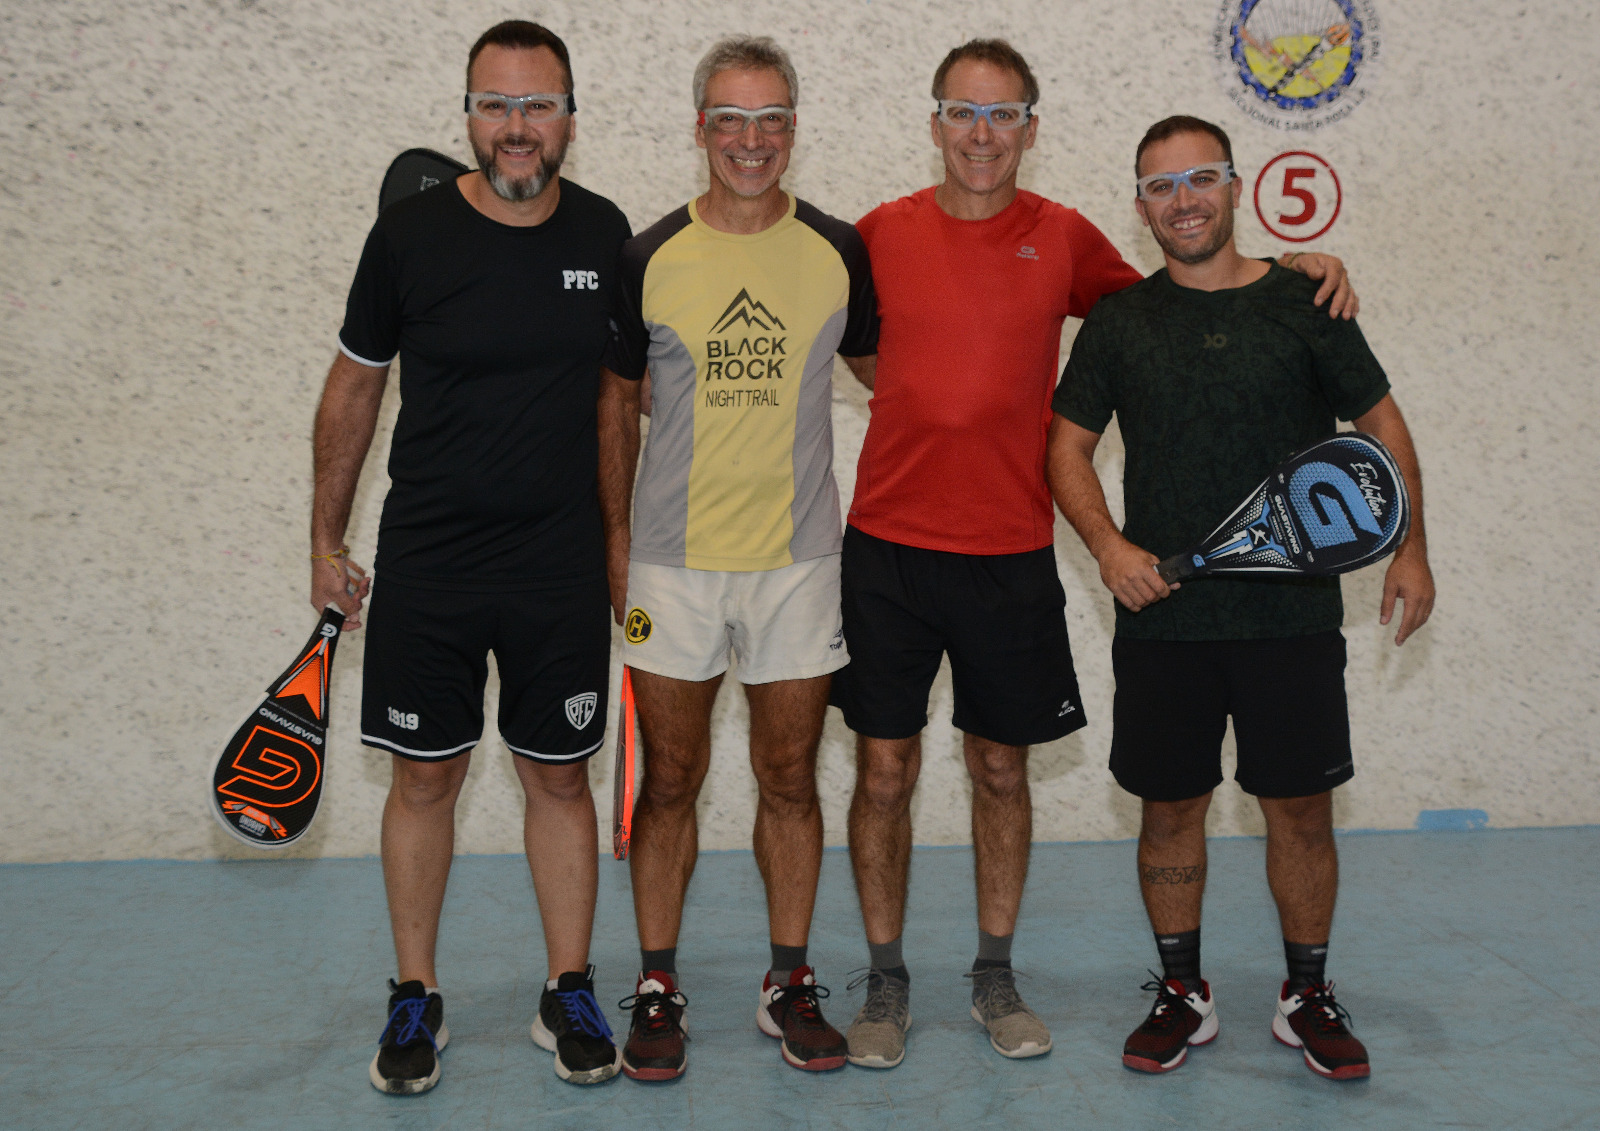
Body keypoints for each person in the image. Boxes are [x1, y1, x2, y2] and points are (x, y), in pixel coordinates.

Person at [832, 40, 1358, 1070]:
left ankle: (994, 976)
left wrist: (1300, 266)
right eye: (962, 112)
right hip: (887, 546)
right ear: (934, 123)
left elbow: (1188, 285)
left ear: (1031, 128)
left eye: (1003, 114)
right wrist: (920, 391)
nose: (982, 134)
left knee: (999, 766)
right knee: (883, 771)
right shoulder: (878, 234)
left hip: (1011, 549)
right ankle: (886, 980)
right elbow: (851, 341)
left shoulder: (1067, 238)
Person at [1047, 115, 1434, 1081]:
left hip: (1291, 620)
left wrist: (1412, 548)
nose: (1183, 200)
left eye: (1201, 178)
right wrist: (1109, 548)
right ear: (1141, 207)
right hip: (1166, 621)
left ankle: (1307, 994)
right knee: (1169, 809)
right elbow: (1065, 449)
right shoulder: (1120, 322)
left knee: (1299, 810)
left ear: (1234, 184)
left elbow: (1382, 425)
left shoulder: (1308, 301)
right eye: (1161, 186)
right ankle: (1183, 990)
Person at [310, 21, 631, 1094]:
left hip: (557, 564)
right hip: (431, 561)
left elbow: (619, 403)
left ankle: (568, 989)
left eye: (538, 104)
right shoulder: (408, 236)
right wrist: (324, 540)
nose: (517, 126)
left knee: (560, 775)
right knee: (424, 776)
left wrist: (623, 540)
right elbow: (354, 385)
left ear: (570, 118)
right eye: (496, 104)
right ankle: (415, 994)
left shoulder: (604, 233)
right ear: (468, 116)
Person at [597, 36, 878, 1079]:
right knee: (670, 780)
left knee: (789, 776)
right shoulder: (649, 255)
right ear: (700, 128)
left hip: (799, 564)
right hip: (671, 568)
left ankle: (788, 980)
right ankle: (657, 985)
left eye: (770, 120)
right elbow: (614, 404)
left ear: (794, 129)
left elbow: (901, 373)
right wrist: (618, 542)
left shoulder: (838, 251)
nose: (750, 141)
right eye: (730, 119)